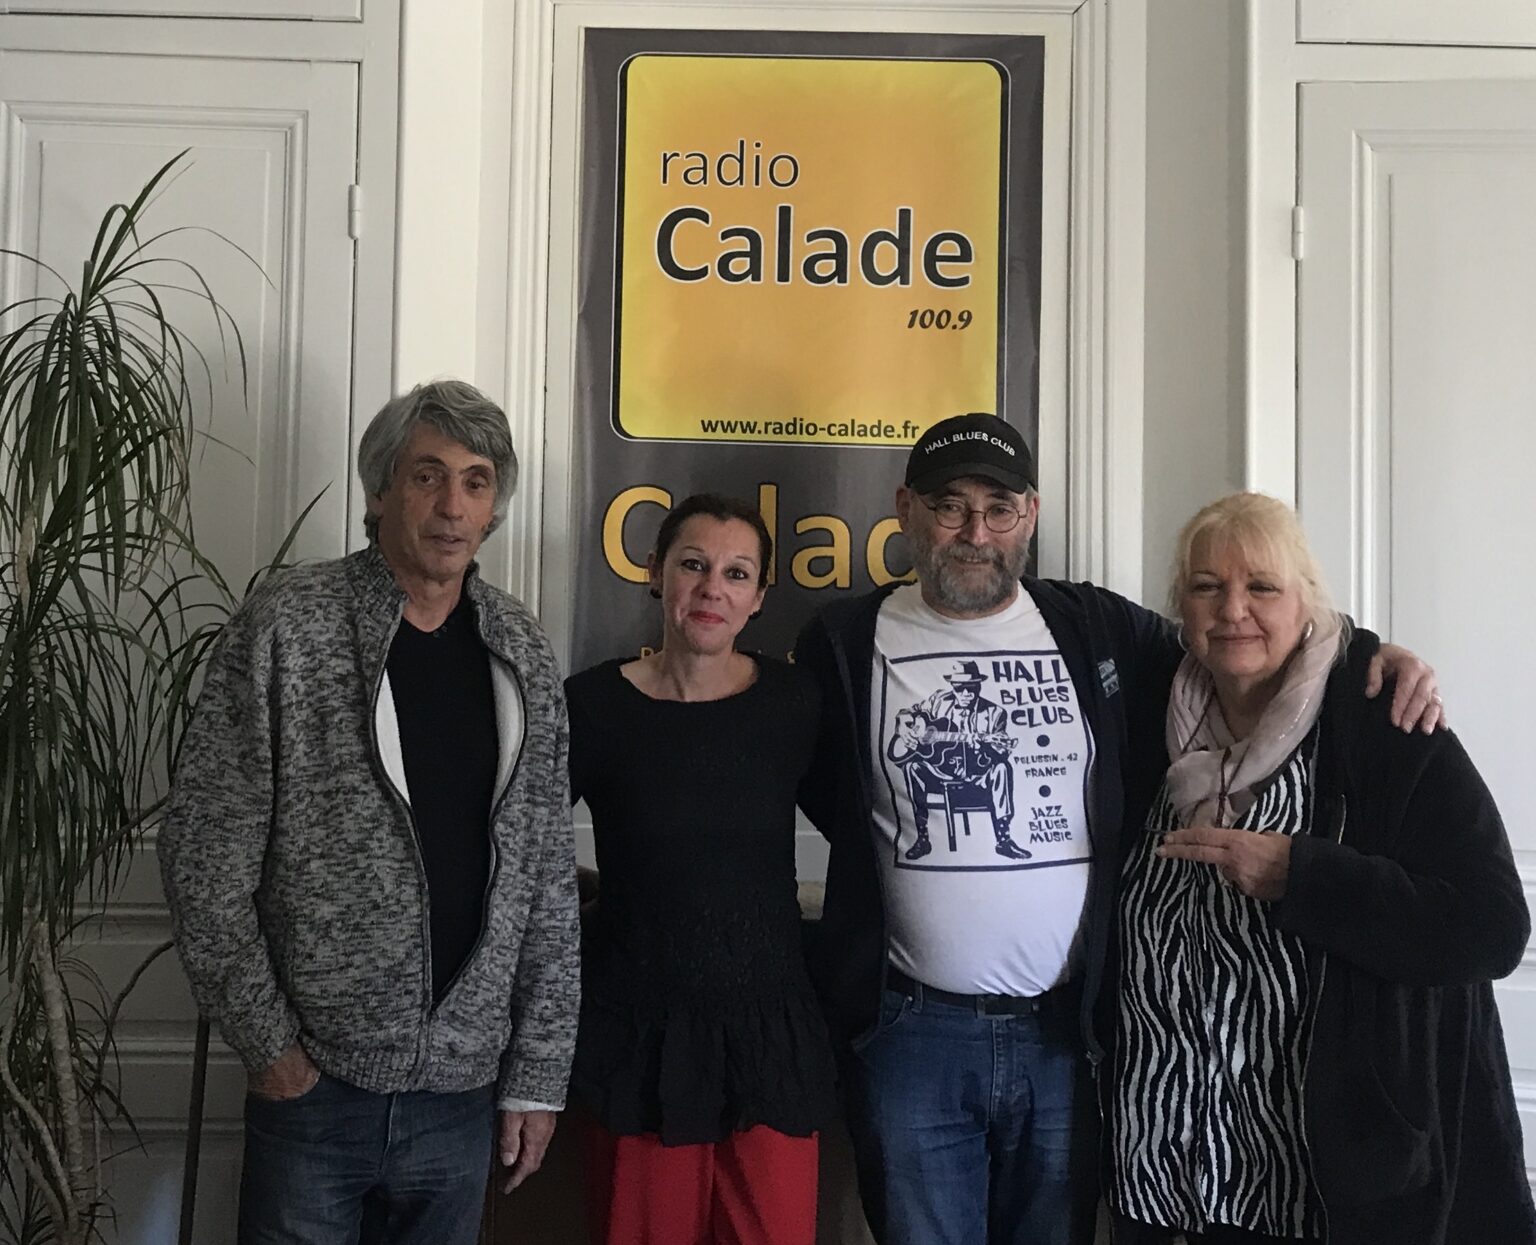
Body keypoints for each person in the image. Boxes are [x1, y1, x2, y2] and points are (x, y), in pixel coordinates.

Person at [792, 412, 1443, 1245]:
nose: (974, 532)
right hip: (914, 1033)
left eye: (998, 509)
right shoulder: (843, 641)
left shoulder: (1095, 628)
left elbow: (1242, 643)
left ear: (1030, 514)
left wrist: (1369, 654)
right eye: (949, 506)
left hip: (1069, 1038)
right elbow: (828, 792)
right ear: (906, 510)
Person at [159, 380, 579, 1245]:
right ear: (381, 490)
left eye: (475, 481)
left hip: (461, 1095)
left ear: (493, 506)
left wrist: (537, 1074)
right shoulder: (289, 625)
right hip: (316, 1091)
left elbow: (545, 880)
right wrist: (273, 1049)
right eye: (427, 475)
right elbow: (204, 854)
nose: (452, 505)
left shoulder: (520, 647)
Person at [1106, 491, 1534, 1245]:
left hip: (1324, 1183)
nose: (1233, 609)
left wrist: (1303, 877)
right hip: (1165, 1169)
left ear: (1308, 602)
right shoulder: (1146, 714)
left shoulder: (1383, 721)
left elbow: (1491, 926)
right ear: (1180, 605)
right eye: (1207, 586)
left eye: (1262, 586)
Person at [564, 493, 837, 1245]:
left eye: (737, 573)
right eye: (694, 564)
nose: (713, 587)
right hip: (637, 1039)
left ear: (759, 597)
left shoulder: (794, 704)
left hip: (771, 1038)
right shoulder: (592, 704)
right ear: (656, 572)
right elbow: (522, 851)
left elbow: (863, 828)